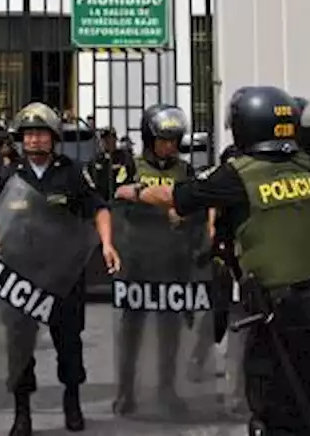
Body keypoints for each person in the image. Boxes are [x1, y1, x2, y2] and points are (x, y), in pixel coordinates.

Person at [119, 86, 310, 436]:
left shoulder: (239, 172)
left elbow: (176, 196)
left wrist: (135, 190)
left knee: (275, 404)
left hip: (288, 306)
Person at [0, 102, 120, 436]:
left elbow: (99, 209)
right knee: (19, 345)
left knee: (69, 342)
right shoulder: (10, 174)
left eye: (41, 134)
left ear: (53, 138)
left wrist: (106, 244)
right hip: (20, 275)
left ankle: (72, 400)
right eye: (28, 134)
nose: (34, 140)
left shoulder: (72, 172)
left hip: (63, 274)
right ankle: (22, 412)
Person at [112, 103, 197, 417]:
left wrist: (184, 215)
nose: (170, 146)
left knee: (169, 331)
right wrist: (146, 194)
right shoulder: (131, 166)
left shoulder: (185, 170)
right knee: (131, 330)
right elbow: (117, 194)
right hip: (137, 259)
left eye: (174, 140)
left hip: (172, 259)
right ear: (149, 139)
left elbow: (196, 204)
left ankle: (167, 390)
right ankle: (126, 391)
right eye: (164, 139)